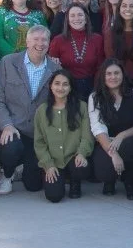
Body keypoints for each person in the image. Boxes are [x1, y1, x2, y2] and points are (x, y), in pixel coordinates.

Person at [0, 25, 57, 195]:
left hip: (37, 134)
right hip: (14, 127)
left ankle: (23, 167)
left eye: (44, 40)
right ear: (27, 41)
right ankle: (8, 174)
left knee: (33, 186)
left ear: (49, 43)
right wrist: (6, 125)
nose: (40, 44)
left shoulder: (55, 70)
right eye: (36, 39)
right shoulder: (8, 63)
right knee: (10, 146)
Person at [88, 59, 133, 199]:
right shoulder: (95, 97)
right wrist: (113, 154)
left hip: (130, 140)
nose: (113, 77)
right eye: (109, 74)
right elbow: (97, 127)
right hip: (106, 141)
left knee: (131, 146)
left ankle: (129, 182)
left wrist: (121, 136)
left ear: (123, 75)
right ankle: (109, 180)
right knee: (103, 169)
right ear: (103, 76)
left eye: (116, 73)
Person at [34, 70, 92, 202]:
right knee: (54, 196)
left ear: (71, 87)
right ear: (51, 86)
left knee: (81, 168)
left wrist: (82, 153)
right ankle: (58, 177)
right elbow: (39, 142)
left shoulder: (81, 107)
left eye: (65, 84)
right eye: (57, 84)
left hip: (74, 157)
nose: (61, 88)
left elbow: (86, 135)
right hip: (53, 160)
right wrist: (48, 164)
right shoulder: (42, 111)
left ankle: (75, 182)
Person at [48, 4, 104, 96]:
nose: (76, 18)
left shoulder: (97, 39)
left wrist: (95, 90)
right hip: (66, 89)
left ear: (86, 18)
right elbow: (52, 70)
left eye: (80, 15)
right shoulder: (58, 41)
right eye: (72, 16)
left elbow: (100, 67)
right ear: (68, 20)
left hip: (91, 87)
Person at [0, 0, 46, 68]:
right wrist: (17, 56)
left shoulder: (38, 14)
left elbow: (45, 37)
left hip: (33, 63)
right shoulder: (0, 12)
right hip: (6, 63)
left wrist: (31, 56)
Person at [108, 0, 133, 89]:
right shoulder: (111, 32)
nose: (128, 9)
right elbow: (110, 58)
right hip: (118, 81)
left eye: (132, 6)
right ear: (119, 9)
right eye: (124, 6)